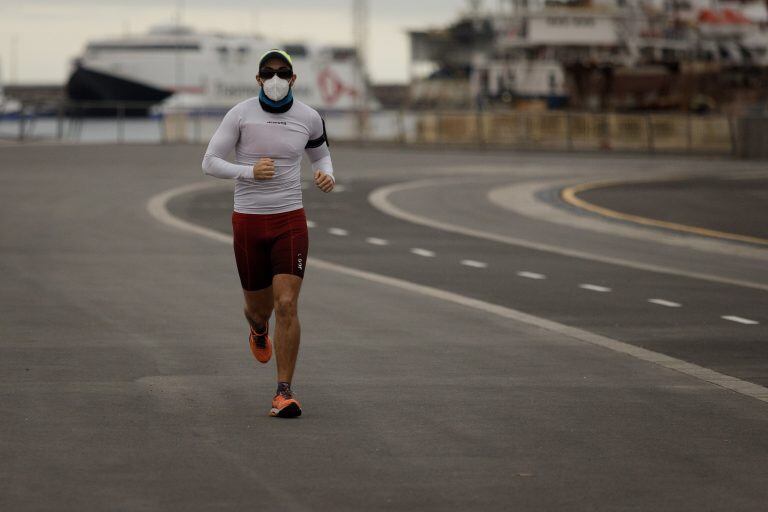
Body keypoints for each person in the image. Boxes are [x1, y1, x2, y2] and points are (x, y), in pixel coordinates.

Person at [201, 49, 335, 418]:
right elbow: (209, 162)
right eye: (268, 72)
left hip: (289, 219)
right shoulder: (240, 114)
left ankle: (284, 392)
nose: (275, 79)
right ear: (258, 79)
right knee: (258, 310)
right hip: (248, 220)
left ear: (293, 79)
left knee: (287, 304)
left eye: (283, 72)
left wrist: (327, 175)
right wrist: (247, 172)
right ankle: (259, 329)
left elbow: (321, 156)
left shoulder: (308, 117)